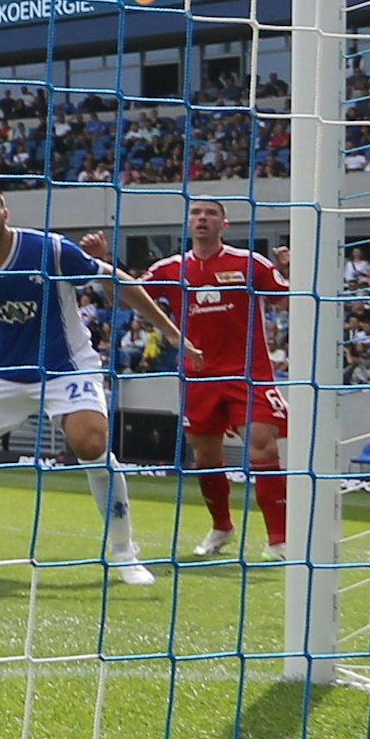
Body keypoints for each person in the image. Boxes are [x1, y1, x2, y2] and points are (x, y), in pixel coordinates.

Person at [0, 182, 187, 586]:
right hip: (0, 373)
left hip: (65, 368)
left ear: (5, 212)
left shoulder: (48, 250)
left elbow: (117, 279)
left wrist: (170, 332)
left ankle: (124, 552)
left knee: (90, 443)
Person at [86, 201, 291, 561]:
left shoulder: (250, 263)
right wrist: (105, 264)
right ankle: (222, 527)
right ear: (188, 222)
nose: (201, 219)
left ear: (223, 224)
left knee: (264, 447)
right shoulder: (172, 268)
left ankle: (279, 539)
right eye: (195, 213)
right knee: (206, 457)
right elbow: (124, 298)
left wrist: (291, 270)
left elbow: (288, 301)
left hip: (250, 374)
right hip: (198, 378)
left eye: (210, 214)